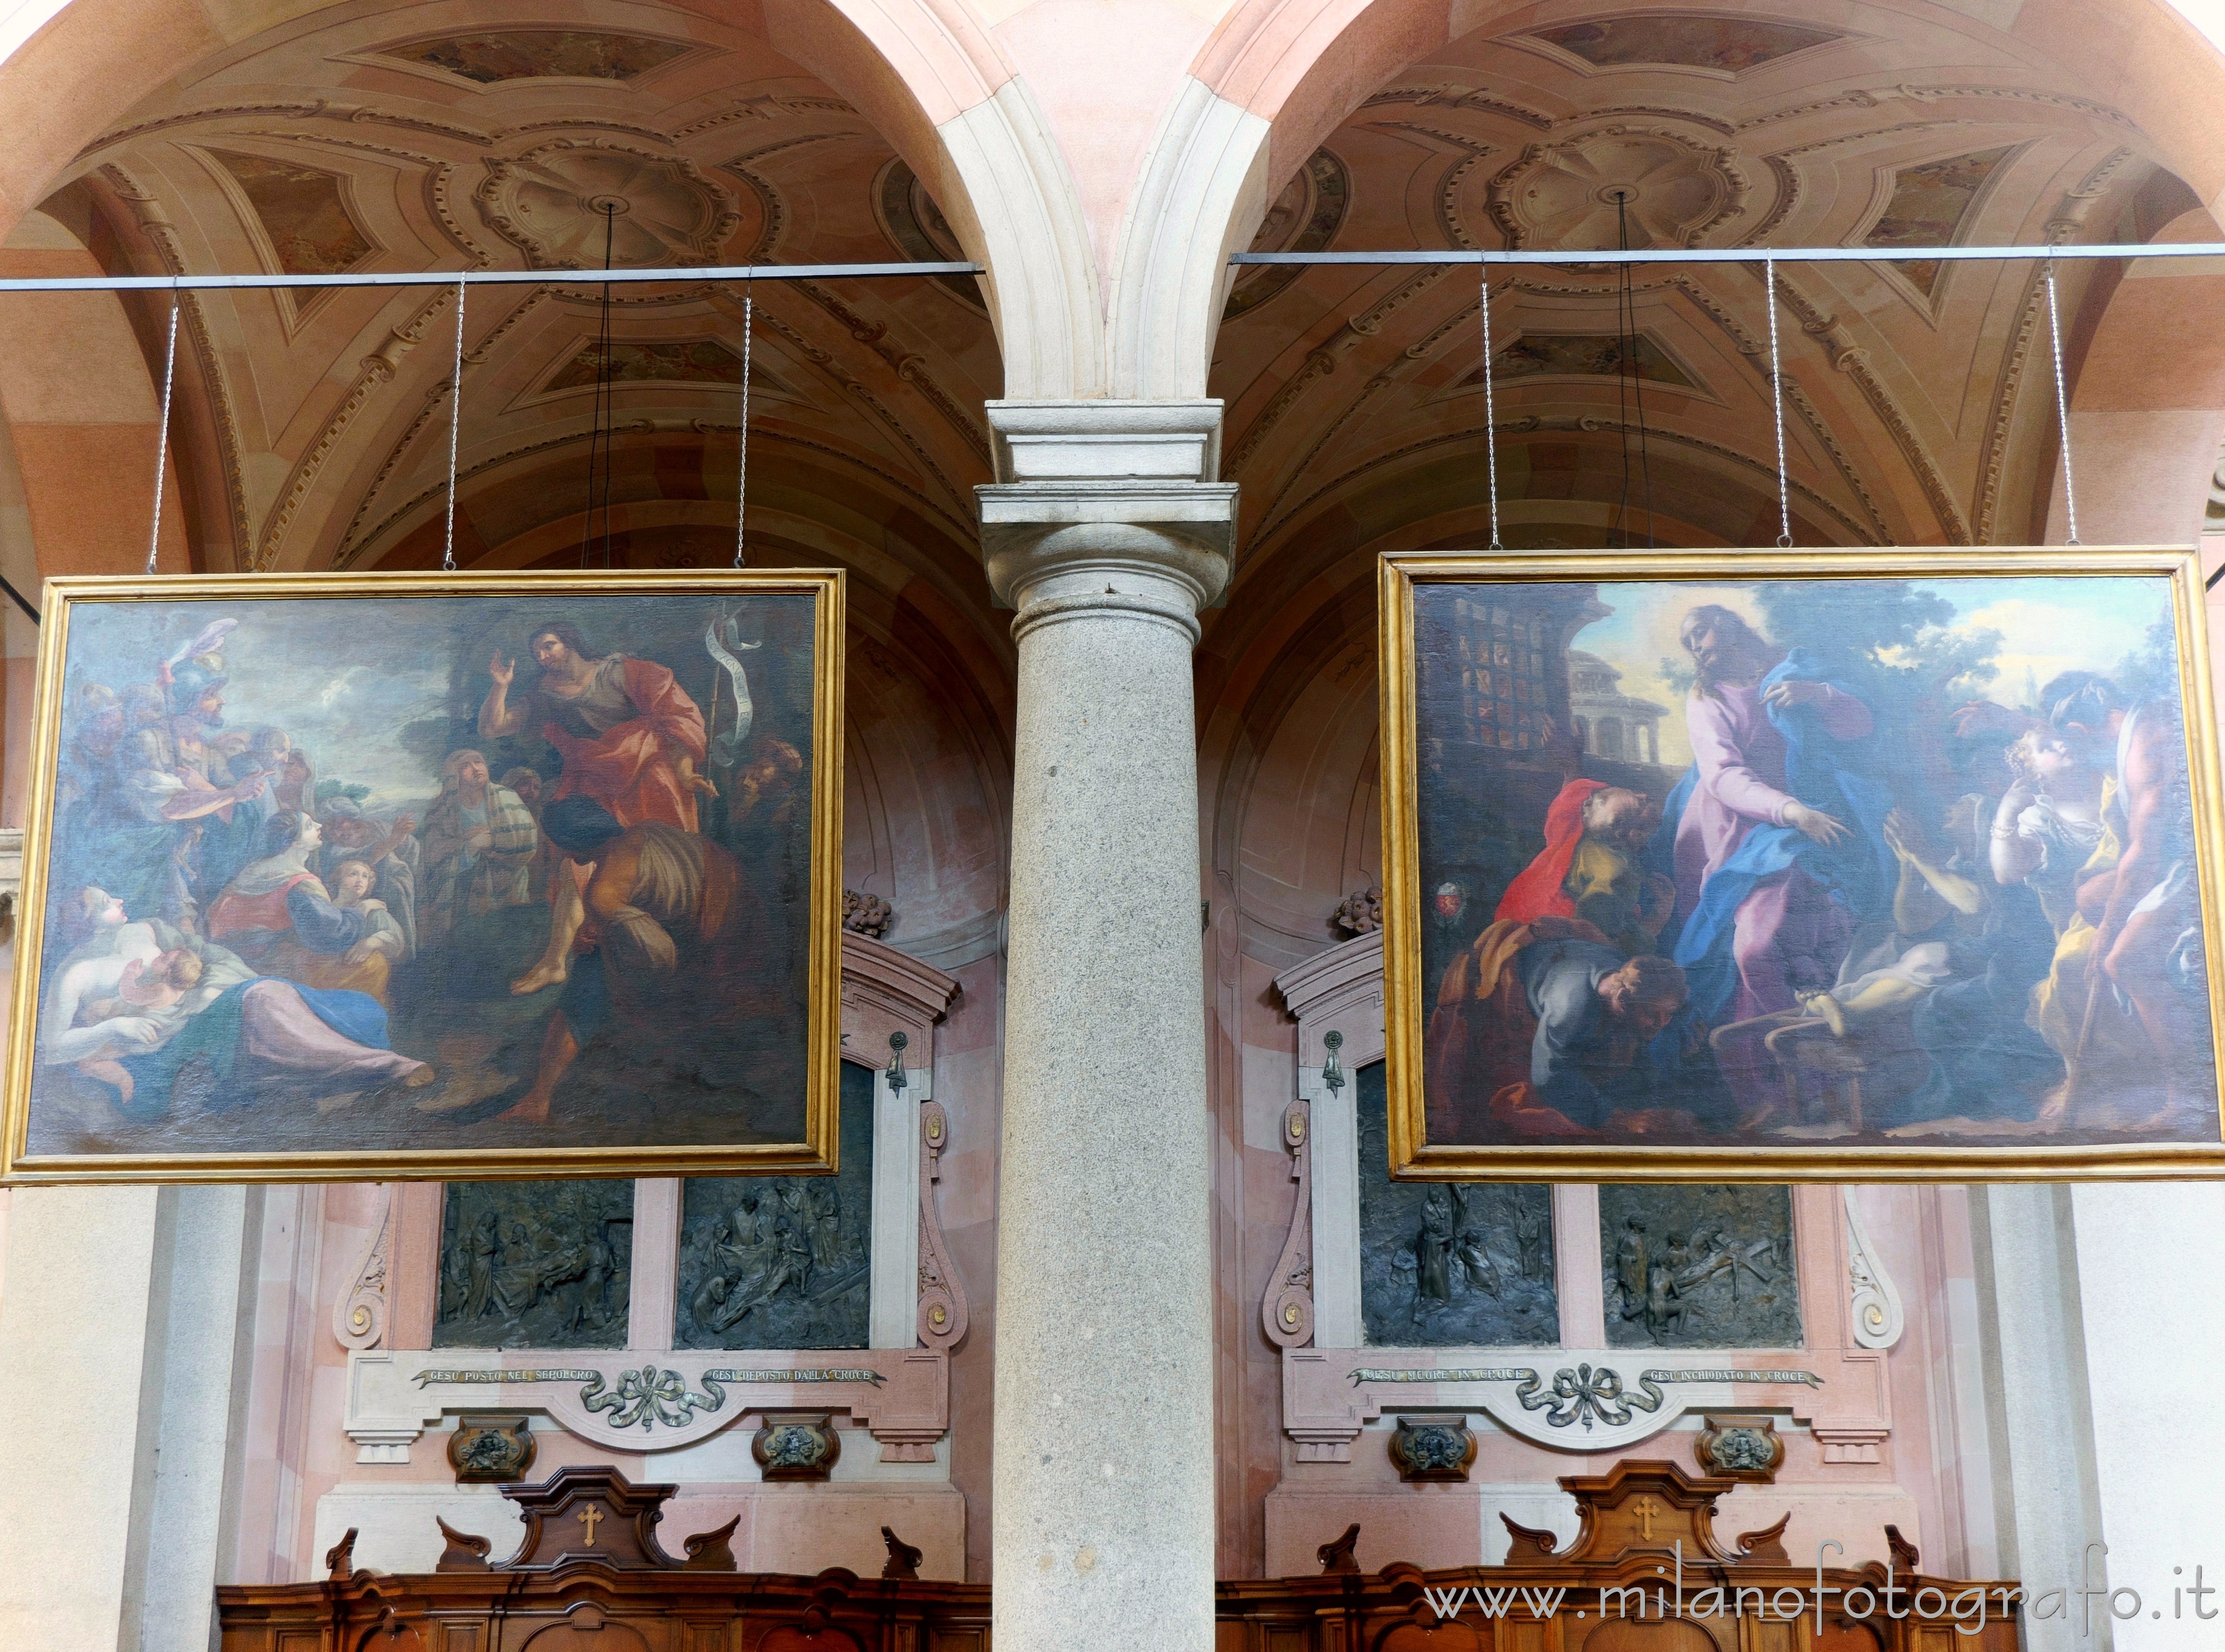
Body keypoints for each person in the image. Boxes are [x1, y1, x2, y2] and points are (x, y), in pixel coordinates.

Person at [1657, 605, 1895, 1126]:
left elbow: (1861, 727)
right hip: (1748, 826)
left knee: (1808, 946)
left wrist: (1820, 695)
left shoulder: (1795, 668)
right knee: (1745, 953)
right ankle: (1780, 1083)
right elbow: (1722, 776)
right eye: (1688, 642)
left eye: (1701, 632)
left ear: (1731, 624)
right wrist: (1791, 811)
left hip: (1821, 813)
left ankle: (1809, 1076)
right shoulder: (1707, 699)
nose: (1696, 646)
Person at [38, 882, 432, 1116]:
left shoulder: (144, 930)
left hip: (212, 1005)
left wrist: (210, 989)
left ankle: (355, 1069)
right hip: (167, 1044)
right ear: (85, 922)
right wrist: (115, 1025)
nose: (120, 901)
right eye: (107, 903)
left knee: (267, 995)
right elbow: (51, 1047)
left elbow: (206, 954)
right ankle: (385, 1066)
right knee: (265, 999)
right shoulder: (77, 973)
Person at [497, 796, 773, 1123]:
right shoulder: (645, 831)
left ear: (574, 845)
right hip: (751, 908)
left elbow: (661, 957)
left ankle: (539, 1099)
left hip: (723, 940)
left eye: (562, 846)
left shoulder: (603, 892)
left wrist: (607, 943)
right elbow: (668, 893)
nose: (563, 853)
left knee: (589, 975)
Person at [477, 620, 715, 834]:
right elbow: (493, 728)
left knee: (663, 828)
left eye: (549, 646)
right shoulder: (544, 695)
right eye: (537, 653)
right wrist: (501, 686)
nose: (542, 656)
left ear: (569, 643)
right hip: (595, 779)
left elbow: (675, 716)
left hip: (646, 766)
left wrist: (685, 772)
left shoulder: (619, 671)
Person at [206, 813, 402, 1002]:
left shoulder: (255, 870)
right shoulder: (299, 882)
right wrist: (363, 908)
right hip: (270, 963)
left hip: (236, 953)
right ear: (295, 842)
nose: (319, 826)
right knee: (374, 966)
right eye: (309, 825)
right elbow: (331, 937)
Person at [1496, 779, 1672, 956]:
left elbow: (1571, 795)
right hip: (1557, 948)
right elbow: (1597, 934)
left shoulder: (1576, 838)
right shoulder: (1613, 867)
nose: (1645, 795)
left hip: (1530, 934)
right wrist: (1656, 921)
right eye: (1639, 802)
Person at [418, 749, 539, 947]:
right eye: (466, 766)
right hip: (459, 896)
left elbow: (528, 841)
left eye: (479, 762)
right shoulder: (441, 810)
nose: (476, 769)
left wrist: (493, 841)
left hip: (508, 889)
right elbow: (432, 857)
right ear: (452, 776)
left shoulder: (507, 796)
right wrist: (470, 848)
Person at [315, 799, 421, 957]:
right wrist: (394, 839)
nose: (339, 833)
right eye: (332, 828)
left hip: (389, 896)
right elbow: (366, 858)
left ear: (354, 821)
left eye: (341, 825)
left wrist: (401, 842)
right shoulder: (331, 853)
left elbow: (411, 847)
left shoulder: (375, 828)